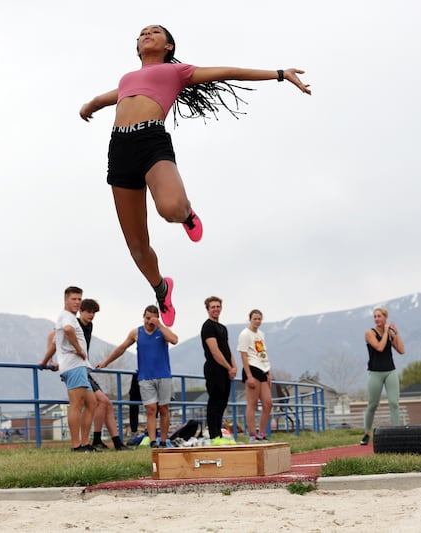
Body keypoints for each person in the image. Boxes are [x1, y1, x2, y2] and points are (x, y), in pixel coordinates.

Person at [79, 25, 311, 327]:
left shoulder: (177, 73)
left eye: (155, 32)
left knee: (171, 209)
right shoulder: (127, 79)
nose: (147, 34)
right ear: (137, 48)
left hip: (151, 141)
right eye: (142, 33)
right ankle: (161, 288)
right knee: (137, 247)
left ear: (168, 47)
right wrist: (90, 105)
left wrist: (279, 73)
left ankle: (187, 214)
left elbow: (230, 72)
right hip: (119, 149)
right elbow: (109, 97)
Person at [39, 299, 128, 450]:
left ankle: (105, 441)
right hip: (74, 367)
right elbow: (54, 337)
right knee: (96, 402)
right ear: (81, 311)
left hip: (84, 367)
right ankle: (91, 442)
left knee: (100, 403)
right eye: (88, 311)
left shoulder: (89, 326)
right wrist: (50, 360)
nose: (91, 315)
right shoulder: (72, 322)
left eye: (94, 313)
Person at [97, 305, 178, 448]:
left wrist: (160, 325)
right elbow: (122, 348)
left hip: (163, 375)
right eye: (147, 318)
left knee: (164, 409)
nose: (149, 322)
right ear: (143, 317)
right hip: (145, 377)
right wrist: (106, 362)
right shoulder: (136, 332)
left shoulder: (162, 331)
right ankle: (153, 441)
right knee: (151, 409)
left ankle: (164, 441)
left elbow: (174, 340)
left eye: (152, 319)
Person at [43, 286, 98, 452]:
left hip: (78, 366)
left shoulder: (68, 317)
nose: (77, 302)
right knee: (76, 404)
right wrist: (80, 350)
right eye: (73, 299)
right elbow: (67, 331)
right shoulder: (67, 317)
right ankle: (76, 445)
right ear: (66, 300)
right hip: (73, 366)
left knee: (92, 403)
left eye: (79, 299)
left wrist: (45, 360)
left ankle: (85, 443)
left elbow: (55, 343)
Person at [361, 307, 406, 445]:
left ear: (385, 318)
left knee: (394, 403)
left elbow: (401, 350)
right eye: (375, 316)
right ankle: (367, 433)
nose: (376, 319)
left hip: (390, 371)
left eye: (379, 316)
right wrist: (386, 332)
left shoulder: (389, 333)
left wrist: (396, 333)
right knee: (373, 404)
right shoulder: (369, 333)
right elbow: (380, 347)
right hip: (375, 373)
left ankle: (396, 432)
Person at [201, 296, 238, 444]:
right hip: (214, 368)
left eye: (218, 306)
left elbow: (227, 349)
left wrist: (234, 366)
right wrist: (228, 367)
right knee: (214, 402)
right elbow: (215, 351)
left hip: (226, 370)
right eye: (213, 307)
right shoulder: (208, 326)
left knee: (223, 402)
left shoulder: (223, 328)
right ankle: (214, 436)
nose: (216, 309)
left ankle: (220, 435)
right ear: (208, 309)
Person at [237, 309, 273, 442]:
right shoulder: (245, 334)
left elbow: (263, 353)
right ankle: (252, 434)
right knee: (252, 403)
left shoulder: (261, 334)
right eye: (255, 319)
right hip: (252, 368)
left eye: (259, 319)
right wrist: (249, 375)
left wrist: (268, 372)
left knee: (268, 403)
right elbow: (243, 355)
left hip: (263, 368)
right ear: (250, 319)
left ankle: (262, 433)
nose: (257, 321)